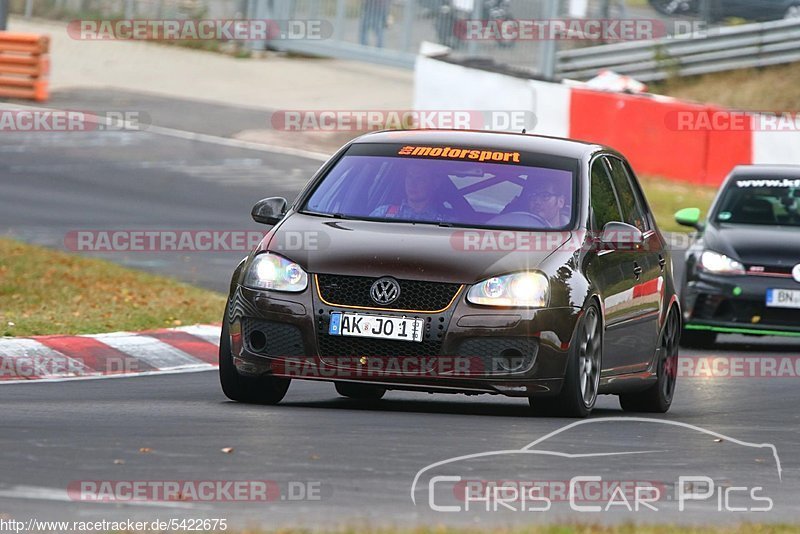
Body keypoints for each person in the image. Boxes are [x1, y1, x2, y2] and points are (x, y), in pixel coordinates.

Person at [371, 165, 445, 221]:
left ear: (434, 184)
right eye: (409, 177)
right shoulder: (381, 214)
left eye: (419, 179)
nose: (412, 183)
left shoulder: (447, 221)